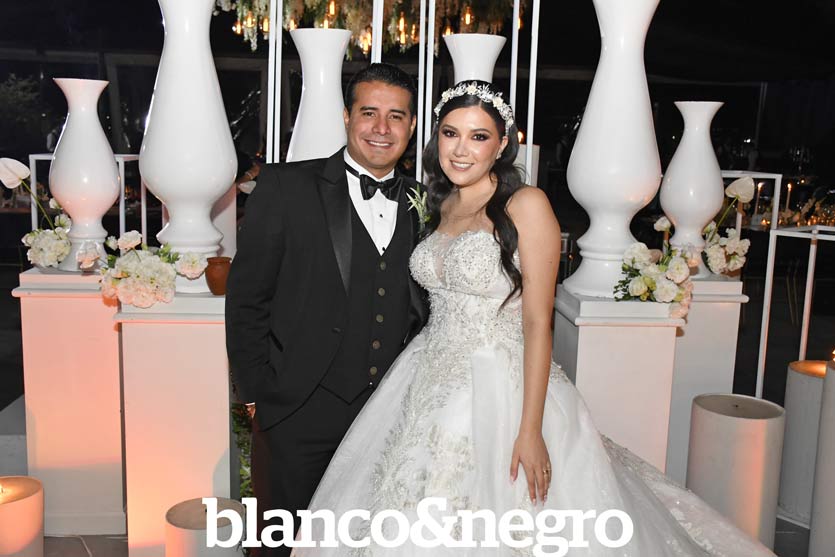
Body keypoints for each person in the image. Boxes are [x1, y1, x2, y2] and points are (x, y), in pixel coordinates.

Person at [294, 82, 774, 556]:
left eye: (479, 136)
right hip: (424, 374)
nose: (460, 149)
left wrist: (530, 430)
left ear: (502, 143)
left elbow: (537, 324)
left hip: (496, 382)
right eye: (450, 133)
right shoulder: (441, 204)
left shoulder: (526, 204)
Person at [225, 63, 428, 557]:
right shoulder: (287, 186)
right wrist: (257, 394)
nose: (382, 128)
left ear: (412, 126)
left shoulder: (426, 202)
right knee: (281, 542)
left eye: (396, 116)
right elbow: (247, 297)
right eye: (369, 112)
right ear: (347, 116)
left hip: (387, 414)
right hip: (298, 409)